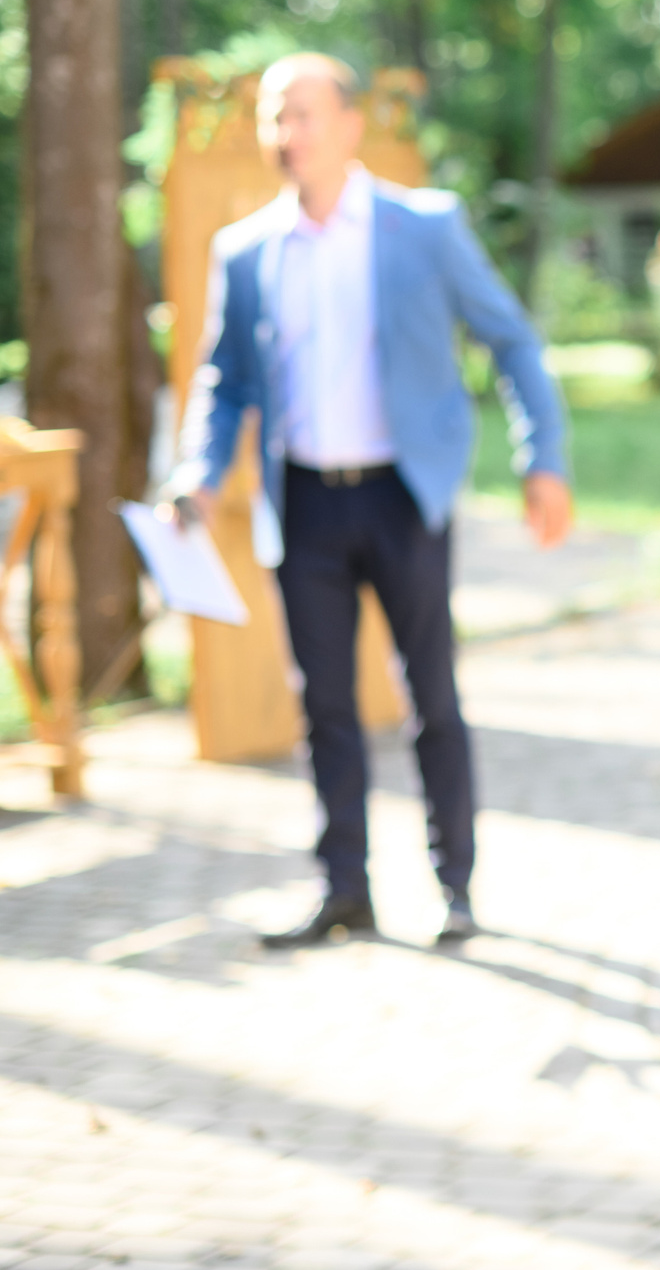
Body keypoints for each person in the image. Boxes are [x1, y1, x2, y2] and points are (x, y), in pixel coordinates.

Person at [173, 53, 573, 950]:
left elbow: (511, 340)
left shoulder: (424, 228)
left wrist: (542, 457)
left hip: (403, 497)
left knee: (431, 695)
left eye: (304, 115)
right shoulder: (245, 253)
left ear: (351, 126)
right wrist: (195, 473)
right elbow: (222, 381)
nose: (287, 135)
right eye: (276, 118)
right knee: (324, 708)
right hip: (304, 503)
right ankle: (343, 890)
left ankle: (455, 889)